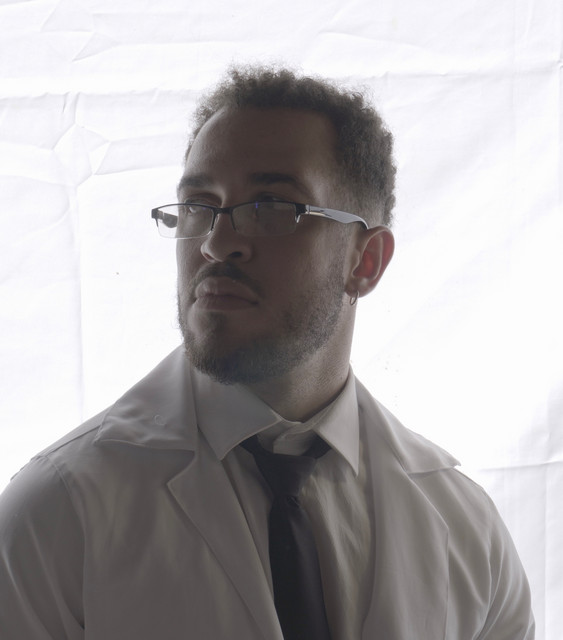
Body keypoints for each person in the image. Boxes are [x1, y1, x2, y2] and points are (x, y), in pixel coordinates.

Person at [0, 65, 534, 639]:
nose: (216, 243)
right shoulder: (59, 512)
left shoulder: (468, 531)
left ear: (366, 261)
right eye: (198, 205)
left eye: (272, 207)